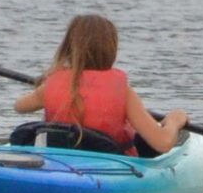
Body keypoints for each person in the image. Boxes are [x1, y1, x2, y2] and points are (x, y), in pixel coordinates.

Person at [13, 14, 186, 157]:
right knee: (147, 141)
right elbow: (163, 143)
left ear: (68, 48)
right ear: (112, 50)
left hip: (61, 161)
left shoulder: (51, 85)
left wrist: (49, 84)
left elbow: (19, 106)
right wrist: (174, 121)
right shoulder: (123, 93)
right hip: (113, 165)